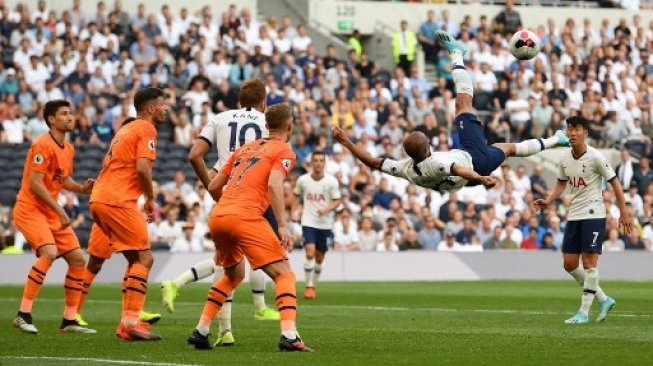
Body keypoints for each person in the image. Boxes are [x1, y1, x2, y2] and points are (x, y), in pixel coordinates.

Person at [333, 30, 569, 195]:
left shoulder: (406, 169)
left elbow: (373, 162)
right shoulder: (435, 162)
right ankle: (457, 53)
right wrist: (481, 177)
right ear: (427, 149)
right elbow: (457, 168)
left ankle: (557, 139)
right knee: (463, 105)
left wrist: (347, 142)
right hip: (473, 164)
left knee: (510, 148)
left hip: (465, 182)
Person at [161, 78, 280, 348]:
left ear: (239, 101)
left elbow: (195, 155)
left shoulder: (220, 118)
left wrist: (213, 189)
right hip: (254, 197)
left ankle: (221, 329)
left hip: (225, 194)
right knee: (260, 264)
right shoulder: (267, 121)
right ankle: (259, 315)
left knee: (229, 263)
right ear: (263, 102)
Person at [187, 103, 312, 352]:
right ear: (290, 126)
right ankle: (289, 335)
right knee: (284, 274)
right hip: (245, 216)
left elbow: (212, 187)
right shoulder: (284, 150)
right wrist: (283, 225)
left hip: (220, 215)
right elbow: (274, 185)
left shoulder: (245, 149)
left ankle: (201, 331)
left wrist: (229, 208)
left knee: (233, 276)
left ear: (266, 125)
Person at [533, 116, 632, 324]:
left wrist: (624, 212)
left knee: (589, 262)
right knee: (569, 264)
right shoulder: (564, 157)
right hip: (574, 214)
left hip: (594, 214)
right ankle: (604, 299)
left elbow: (615, 183)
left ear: (585, 132)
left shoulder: (595, 157)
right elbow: (561, 182)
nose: (572, 133)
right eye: (569, 129)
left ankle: (584, 313)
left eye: (576, 129)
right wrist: (548, 201)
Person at [89, 87, 169, 340]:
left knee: (135, 260)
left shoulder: (125, 129)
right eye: (162, 104)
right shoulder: (146, 128)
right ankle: (132, 322)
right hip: (117, 200)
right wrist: (150, 200)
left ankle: (126, 324)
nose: (166, 108)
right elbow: (143, 168)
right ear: (150, 108)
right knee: (145, 260)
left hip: (100, 199)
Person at [12, 100, 96, 334]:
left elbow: (62, 179)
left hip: (50, 212)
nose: (71, 117)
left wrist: (81, 188)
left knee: (79, 259)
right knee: (49, 252)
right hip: (30, 209)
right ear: (51, 119)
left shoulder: (68, 148)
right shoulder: (41, 145)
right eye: (64, 114)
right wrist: (60, 210)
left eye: (71, 113)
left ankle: (69, 320)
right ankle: (23, 314)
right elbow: (35, 184)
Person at [75, 117, 161, 328]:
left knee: (135, 258)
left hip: (111, 204)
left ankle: (132, 313)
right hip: (114, 206)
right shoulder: (140, 133)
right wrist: (150, 199)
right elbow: (138, 170)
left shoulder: (121, 146)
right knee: (97, 262)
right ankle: (73, 311)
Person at [294, 150, 342, 299]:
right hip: (308, 221)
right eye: (316, 160)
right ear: (311, 162)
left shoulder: (331, 181)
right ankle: (308, 286)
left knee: (320, 258)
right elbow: (296, 195)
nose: (318, 163)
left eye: (321, 160)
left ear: (324, 163)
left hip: (325, 224)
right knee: (310, 253)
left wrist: (326, 209)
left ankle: (313, 284)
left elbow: (337, 200)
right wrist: (295, 210)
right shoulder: (303, 180)